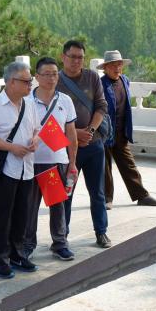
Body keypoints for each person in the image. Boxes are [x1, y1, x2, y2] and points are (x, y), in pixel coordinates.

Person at [0, 61, 41, 279]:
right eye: (26, 81)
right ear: (11, 81)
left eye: (30, 80)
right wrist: (12, 148)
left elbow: (37, 129)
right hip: (4, 168)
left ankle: (18, 254)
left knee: (22, 214)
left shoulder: (29, 104)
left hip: (27, 168)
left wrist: (34, 140)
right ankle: (0, 259)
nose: (30, 84)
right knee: (2, 216)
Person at [56, 40, 112, 248]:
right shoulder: (55, 81)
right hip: (68, 148)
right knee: (66, 192)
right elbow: (48, 119)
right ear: (63, 57)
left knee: (97, 192)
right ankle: (62, 235)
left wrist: (89, 131)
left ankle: (101, 231)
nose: (76, 61)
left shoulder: (92, 77)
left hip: (93, 144)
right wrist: (74, 134)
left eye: (80, 57)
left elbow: (101, 106)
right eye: (72, 57)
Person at [26, 57, 78, 261]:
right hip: (31, 162)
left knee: (57, 205)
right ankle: (27, 244)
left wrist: (72, 163)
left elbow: (71, 134)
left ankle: (60, 243)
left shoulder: (65, 100)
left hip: (56, 160)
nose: (51, 78)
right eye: (46, 74)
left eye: (54, 74)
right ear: (37, 77)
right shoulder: (26, 100)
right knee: (30, 207)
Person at [98, 50, 156, 209]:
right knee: (104, 167)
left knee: (129, 165)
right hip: (104, 132)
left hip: (121, 132)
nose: (117, 68)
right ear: (105, 68)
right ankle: (106, 199)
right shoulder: (99, 84)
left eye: (119, 65)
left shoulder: (124, 80)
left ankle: (142, 196)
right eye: (113, 65)